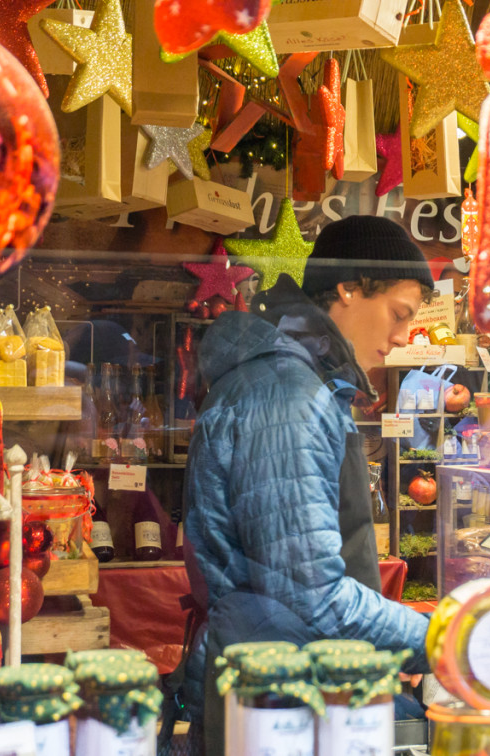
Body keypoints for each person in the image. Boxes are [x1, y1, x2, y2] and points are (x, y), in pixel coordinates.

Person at [179, 215, 436, 754]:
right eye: (399, 313)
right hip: (279, 697)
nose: (403, 336)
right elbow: (313, 595)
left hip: (290, 679)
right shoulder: (288, 395)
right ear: (349, 289)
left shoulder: (299, 382)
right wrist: (440, 640)